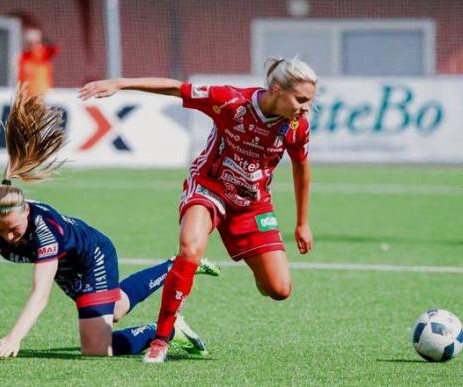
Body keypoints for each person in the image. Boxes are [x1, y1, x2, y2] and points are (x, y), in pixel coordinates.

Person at [0, 84, 219, 360]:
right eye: (0, 229)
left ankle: (166, 329)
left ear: (26, 212)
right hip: (67, 268)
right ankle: (173, 266)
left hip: (92, 255)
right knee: (116, 308)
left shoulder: (44, 229)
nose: (7, 236)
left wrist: (14, 337)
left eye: (14, 229)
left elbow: (40, 292)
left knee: (96, 350)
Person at [79, 57, 317, 363]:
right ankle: (162, 337)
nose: (305, 108)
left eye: (309, 101)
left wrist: (302, 222)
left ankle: (256, 267)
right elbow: (177, 88)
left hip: (252, 203)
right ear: (277, 88)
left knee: (279, 289)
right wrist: (121, 83)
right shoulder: (230, 100)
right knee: (190, 247)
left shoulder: (296, 127)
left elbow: (302, 168)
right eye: (300, 99)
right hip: (209, 187)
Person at [17, 27, 59, 96]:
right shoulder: (23, 57)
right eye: (29, 43)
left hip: (40, 92)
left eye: (35, 43)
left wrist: (40, 38)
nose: (32, 45)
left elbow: (54, 48)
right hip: (25, 94)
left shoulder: (41, 54)